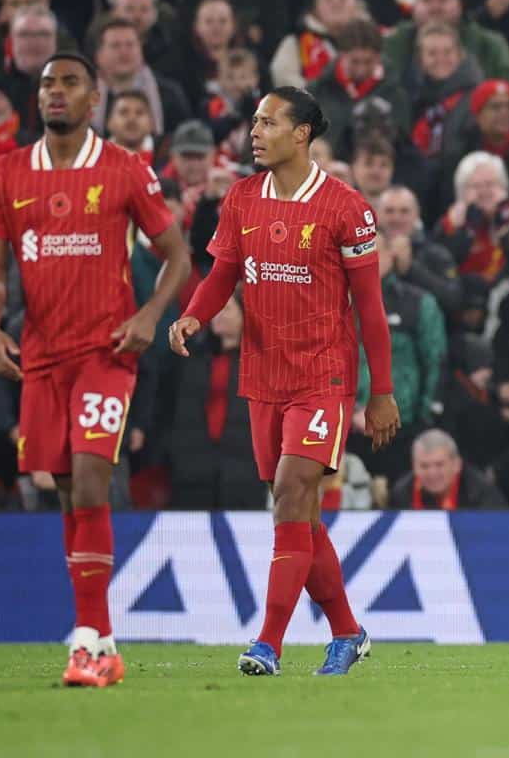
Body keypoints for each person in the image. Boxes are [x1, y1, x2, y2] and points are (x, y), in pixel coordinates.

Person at [0, 52, 192, 688]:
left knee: (94, 482)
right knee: (65, 490)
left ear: (94, 98)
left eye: (69, 83)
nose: (56, 93)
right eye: (47, 84)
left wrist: (151, 315)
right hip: (41, 359)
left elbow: (176, 255)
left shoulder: (124, 168)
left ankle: (88, 644)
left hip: (107, 354)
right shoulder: (5, 174)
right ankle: (105, 639)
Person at [168, 86, 395, 670]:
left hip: (324, 376)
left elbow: (370, 308)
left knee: (293, 493)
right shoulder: (242, 198)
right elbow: (223, 274)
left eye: (269, 122)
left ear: (302, 134)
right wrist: (195, 314)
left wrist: (382, 391)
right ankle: (347, 632)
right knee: (298, 512)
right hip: (264, 374)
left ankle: (267, 642)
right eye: (254, 122)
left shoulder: (347, 207)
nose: (255, 132)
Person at [388, 428, 506, 509]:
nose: (432, 473)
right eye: (424, 466)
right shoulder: (401, 494)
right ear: (414, 467)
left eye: (439, 464)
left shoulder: (482, 494)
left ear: (457, 465)